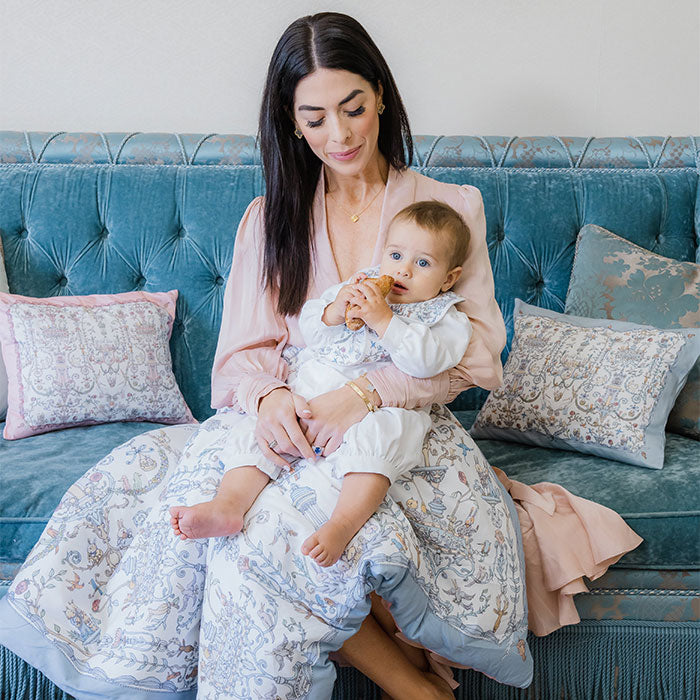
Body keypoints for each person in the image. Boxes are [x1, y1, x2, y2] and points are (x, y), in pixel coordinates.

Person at [0, 12, 642, 700]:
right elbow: (240, 360)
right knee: (191, 504)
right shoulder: (269, 217)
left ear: (382, 96)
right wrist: (273, 400)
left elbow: (477, 358)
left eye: (353, 108)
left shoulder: (448, 209)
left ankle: (405, 684)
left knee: (274, 531)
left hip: (397, 435)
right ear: (290, 120)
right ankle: (411, 685)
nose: (338, 135)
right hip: (293, 421)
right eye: (315, 117)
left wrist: (365, 395)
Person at [169, 200, 474, 569]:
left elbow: (427, 364)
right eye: (395, 255)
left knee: (385, 441)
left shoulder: (447, 319)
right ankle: (229, 505)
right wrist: (333, 312)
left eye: (423, 263)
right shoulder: (360, 284)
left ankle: (342, 523)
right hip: (316, 387)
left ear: (448, 278)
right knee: (259, 431)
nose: (403, 270)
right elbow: (312, 330)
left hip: (382, 405)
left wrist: (384, 322)